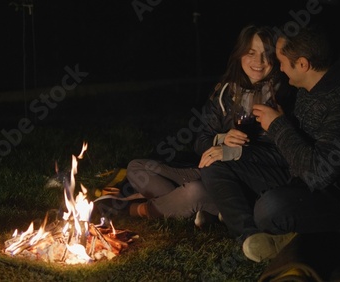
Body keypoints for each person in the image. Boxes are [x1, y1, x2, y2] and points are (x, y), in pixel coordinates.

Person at [203, 23, 340, 263]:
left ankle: (262, 222)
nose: (280, 69)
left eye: (282, 61)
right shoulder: (308, 88)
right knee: (218, 162)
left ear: (303, 64)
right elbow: (293, 155)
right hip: (303, 179)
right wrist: (231, 151)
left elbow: (319, 172)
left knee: (270, 208)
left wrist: (278, 125)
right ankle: (252, 237)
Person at [124, 24, 296, 223]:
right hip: (209, 170)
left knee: (194, 191)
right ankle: (203, 208)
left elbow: (284, 154)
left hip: (242, 181)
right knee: (136, 168)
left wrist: (236, 152)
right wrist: (221, 139)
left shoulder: (284, 94)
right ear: (240, 54)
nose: (259, 61)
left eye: (266, 54)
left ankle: (139, 210)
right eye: (251, 53)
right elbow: (201, 141)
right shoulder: (225, 92)